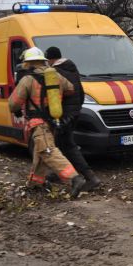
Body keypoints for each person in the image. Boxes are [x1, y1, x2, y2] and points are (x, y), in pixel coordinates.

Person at [9, 47, 86, 198]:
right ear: (43, 61)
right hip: (52, 121)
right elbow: (70, 89)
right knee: (40, 152)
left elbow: (13, 104)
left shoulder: (28, 79)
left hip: (38, 123)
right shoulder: (55, 76)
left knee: (47, 151)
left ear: (28, 63)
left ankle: (74, 179)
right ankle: (36, 183)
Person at [45, 46, 101, 191]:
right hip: (74, 113)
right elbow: (80, 92)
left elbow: (55, 97)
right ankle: (61, 172)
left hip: (63, 114)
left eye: (48, 60)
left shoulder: (55, 72)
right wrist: (76, 111)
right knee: (60, 144)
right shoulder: (72, 69)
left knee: (68, 145)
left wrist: (59, 115)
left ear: (51, 59)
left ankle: (90, 177)